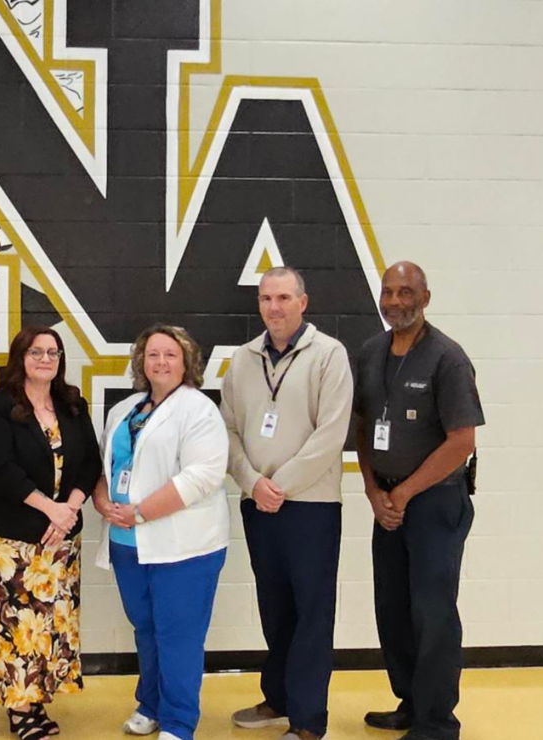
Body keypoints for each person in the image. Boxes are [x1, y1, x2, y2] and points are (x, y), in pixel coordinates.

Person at [219, 267, 353, 740]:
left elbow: (331, 434)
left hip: (311, 507)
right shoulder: (243, 359)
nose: (273, 307)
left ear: (302, 302)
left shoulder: (329, 355)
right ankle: (277, 698)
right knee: (274, 606)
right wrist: (253, 483)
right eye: (265, 299)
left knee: (312, 611)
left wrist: (280, 486)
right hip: (258, 504)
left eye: (283, 298)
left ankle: (308, 720)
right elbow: (227, 430)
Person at [354, 262, 483, 740]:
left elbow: (461, 441)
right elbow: (362, 425)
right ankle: (410, 702)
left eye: (405, 292)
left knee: (433, 613)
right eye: (388, 292)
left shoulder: (447, 358)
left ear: (425, 298)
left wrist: (404, 492)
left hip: (434, 504)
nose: (395, 301)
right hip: (387, 502)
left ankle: (436, 723)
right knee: (393, 609)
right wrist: (373, 490)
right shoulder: (371, 352)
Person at [93, 325, 231, 740]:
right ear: (141, 362)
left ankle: (178, 722)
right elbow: (104, 465)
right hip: (127, 544)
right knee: (146, 630)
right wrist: (102, 501)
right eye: (152, 354)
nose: (160, 362)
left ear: (187, 362)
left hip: (184, 547)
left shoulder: (199, 410)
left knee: (179, 636)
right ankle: (150, 705)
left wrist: (140, 512)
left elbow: (202, 476)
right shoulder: (126, 410)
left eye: (170, 354)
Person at [0, 326, 102, 740]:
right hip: (9, 540)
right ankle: (19, 708)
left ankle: (36, 697)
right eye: (36, 352)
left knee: (49, 624)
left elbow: (90, 462)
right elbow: (0, 468)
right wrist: (51, 509)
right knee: (13, 625)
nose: (45, 359)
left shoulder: (72, 404)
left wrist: (69, 509)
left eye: (53, 352)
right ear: (20, 358)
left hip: (60, 539)